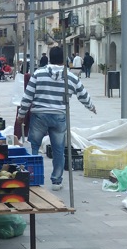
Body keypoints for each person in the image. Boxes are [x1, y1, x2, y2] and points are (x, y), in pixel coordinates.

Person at [17, 46, 96, 191]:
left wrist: (21, 115)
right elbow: (83, 94)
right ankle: (56, 181)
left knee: (34, 145)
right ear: (63, 59)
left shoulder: (38, 74)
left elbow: (27, 96)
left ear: (49, 57)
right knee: (58, 149)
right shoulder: (71, 76)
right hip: (59, 116)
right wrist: (91, 107)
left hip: (39, 115)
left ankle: (32, 177)